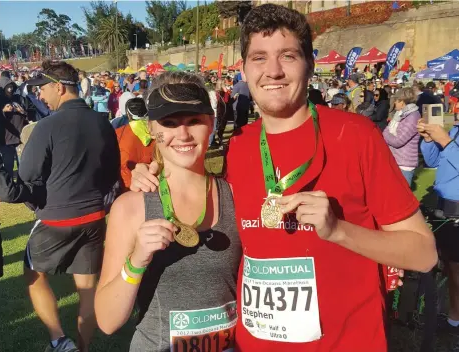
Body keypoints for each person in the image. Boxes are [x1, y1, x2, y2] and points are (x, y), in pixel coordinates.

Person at [129, 4, 437, 352]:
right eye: (259, 57)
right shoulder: (240, 146)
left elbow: (424, 253)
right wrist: (152, 175)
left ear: (309, 63)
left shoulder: (356, 135)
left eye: (288, 56)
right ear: (244, 68)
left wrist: (339, 231)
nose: (273, 71)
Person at [94, 71, 241, 351]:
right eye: (169, 123)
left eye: (194, 121)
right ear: (152, 129)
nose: (182, 134)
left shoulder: (236, 197)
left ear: (211, 123)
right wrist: (137, 259)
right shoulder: (131, 208)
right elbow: (107, 320)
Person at [20, 60, 120, 352]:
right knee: (87, 289)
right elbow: (112, 170)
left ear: (59, 88)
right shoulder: (103, 122)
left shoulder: (47, 125)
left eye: (42, 89)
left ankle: (59, 340)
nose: (40, 95)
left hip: (57, 218)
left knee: (32, 276)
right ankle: (82, 347)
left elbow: (27, 175)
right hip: (94, 216)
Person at [418, 118, 459, 334]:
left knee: (455, 269)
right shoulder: (455, 130)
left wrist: (446, 141)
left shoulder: (450, 136)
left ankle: (454, 319)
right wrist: (428, 141)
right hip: (444, 206)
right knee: (449, 267)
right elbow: (434, 161)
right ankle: (454, 316)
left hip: (456, 210)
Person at [115, 97, 155, 192]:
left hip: (127, 188)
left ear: (128, 114)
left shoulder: (119, 133)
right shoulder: (159, 131)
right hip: (155, 185)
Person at [383, 87, 421, 186]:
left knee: (403, 197)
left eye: (396, 100)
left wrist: (385, 132)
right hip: (397, 160)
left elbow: (398, 141)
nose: (394, 103)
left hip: (404, 163)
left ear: (402, 101)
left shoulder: (412, 117)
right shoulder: (400, 114)